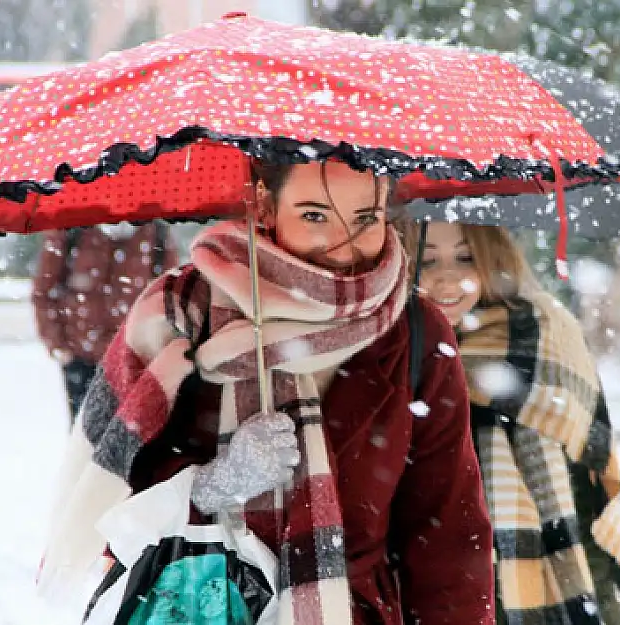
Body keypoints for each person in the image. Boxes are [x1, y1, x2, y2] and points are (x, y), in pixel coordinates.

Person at [38, 160, 496, 625]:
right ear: (263, 203)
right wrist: (214, 485)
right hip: (208, 605)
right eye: (315, 216)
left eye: (366, 219)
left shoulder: (413, 331)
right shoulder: (180, 314)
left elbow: (448, 534)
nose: (343, 246)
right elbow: (110, 505)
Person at [400, 220, 620, 625]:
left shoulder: (546, 335)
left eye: (466, 257)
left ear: (493, 259)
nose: (446, 276)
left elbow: (586, 484)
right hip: (428, 574)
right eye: (426, 259)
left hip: (534, 580)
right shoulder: (390, 346)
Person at [31, 221, 177, 426]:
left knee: (130, 440)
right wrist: (59, 346)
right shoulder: (71, 229)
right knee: (84, 441)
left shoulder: (156, 234)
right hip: (81, 359)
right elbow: (44, 292)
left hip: (133, 361)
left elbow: (169, 298)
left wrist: (157, 348)